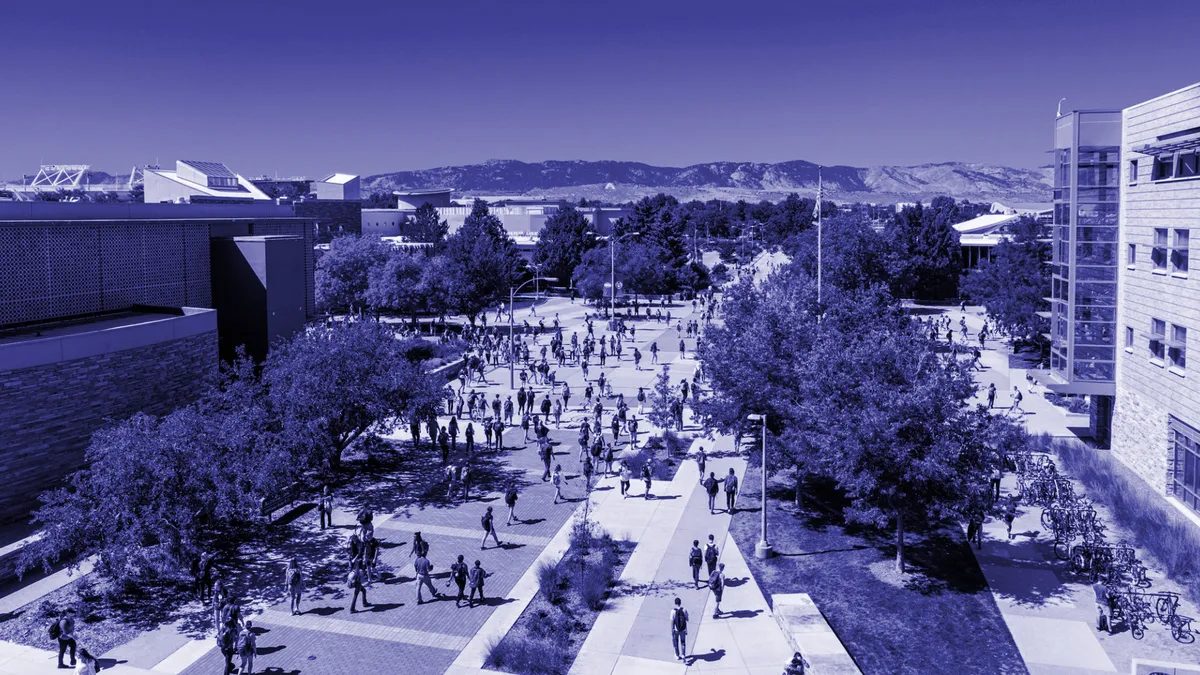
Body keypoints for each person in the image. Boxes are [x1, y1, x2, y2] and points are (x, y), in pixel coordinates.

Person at [670, 597, 689, 661]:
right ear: (680, 602)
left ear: (675, 603)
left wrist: (672, 630)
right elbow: (687, 619)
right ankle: (683, 654)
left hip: (676, 630)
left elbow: (672, 622)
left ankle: (677, 655)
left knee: (676, 642)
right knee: (683, 642)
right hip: (683, 629)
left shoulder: (673, 611)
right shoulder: (684, 609)